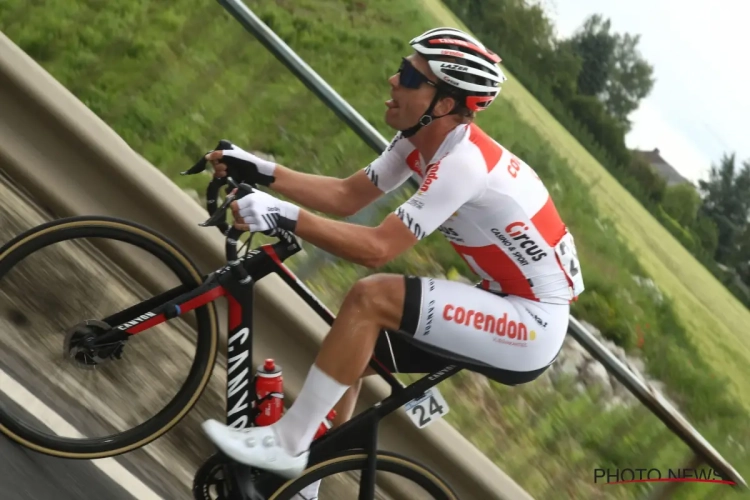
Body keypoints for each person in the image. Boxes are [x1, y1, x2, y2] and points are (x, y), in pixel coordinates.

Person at [201, 25, 585, 489]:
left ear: (442, 103)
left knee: (371, 298)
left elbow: (377, 249)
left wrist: (281, 215)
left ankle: (288, 444)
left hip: (531, 322)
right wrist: (260, 170)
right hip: (504, 297)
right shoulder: (418, 139)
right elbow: (347, 196)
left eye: (408, 75)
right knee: (355, 352)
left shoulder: (463, 164)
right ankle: (305, 485)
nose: (392, 80)